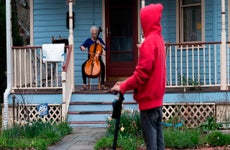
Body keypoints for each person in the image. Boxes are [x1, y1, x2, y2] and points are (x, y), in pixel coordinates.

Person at [111, 3, 165, 150]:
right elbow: (149, 72)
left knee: (151, 146)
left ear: (147, 21)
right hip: (157, 103)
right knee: (159, 146)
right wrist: (125, 82)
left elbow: (141, 75)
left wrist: (122, 86)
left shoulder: (149, 43)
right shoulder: (159, 41)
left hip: (148, 105)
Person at [80, 26, 108, 90]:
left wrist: (100, 44)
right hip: (90, 59)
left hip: (98, 59)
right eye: (93, 34)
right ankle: (84, 85)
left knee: (103, 67)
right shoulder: (88, 40)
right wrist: (82, 47)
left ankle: (103, 84)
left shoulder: (99, 39)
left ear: (97, 33)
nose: (94, 35)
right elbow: (81, 46)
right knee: (83, 66)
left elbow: (106, 48)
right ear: (91, 33)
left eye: (95, 34)